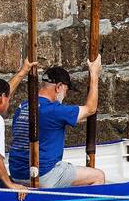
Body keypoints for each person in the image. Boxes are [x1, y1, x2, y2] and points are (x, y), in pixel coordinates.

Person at [8, 57, 106, 187]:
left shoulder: (23, 106)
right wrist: (94, 74)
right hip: (43, 175)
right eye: (66, 90)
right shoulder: (54, 110)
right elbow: (90, 109)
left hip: (16, 174)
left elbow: (5, 94)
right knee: (98, 176)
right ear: (59, 87)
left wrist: (23, 70)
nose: (65, 96)